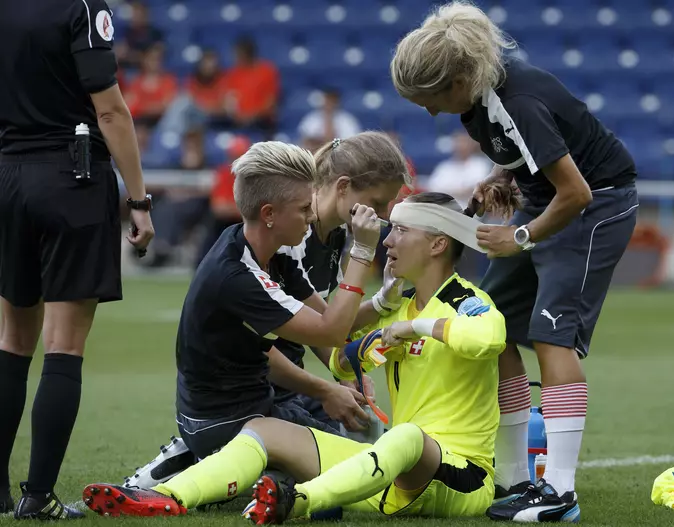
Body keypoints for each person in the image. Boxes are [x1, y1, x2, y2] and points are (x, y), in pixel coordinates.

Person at [80, 192, 508, 525]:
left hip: (461, 479)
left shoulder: (464, 299)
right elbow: (343, 364)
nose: (388, 240)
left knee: (407, 436)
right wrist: (382, 311)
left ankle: (299, 501)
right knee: (266, 429)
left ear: (436, 244)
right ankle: (167, 498)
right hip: (396, 474)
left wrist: (412, 329)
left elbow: (489, 339)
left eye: (401, 231)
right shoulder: (401, 305)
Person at [390, 1, 639, 522]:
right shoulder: (476, 98)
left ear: (459, 78)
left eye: (431, 99)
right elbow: (528, 158)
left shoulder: (517, 98)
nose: (430, 111)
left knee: (552, 335)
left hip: (595, 208)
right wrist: (503, 179)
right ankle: (512, 476)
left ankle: (560, 492)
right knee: (493, 323)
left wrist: (519, 235)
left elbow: (578, 192)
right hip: (545, 202)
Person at [124, 132, 411, 492]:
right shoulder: (240, 275)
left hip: (257, 397)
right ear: (270, 214)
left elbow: (329, 320)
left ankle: (248, 467)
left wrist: (345, 371)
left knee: (355, 448)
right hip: (231, 413)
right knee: (352, 472)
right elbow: (329, 330)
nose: (311, 217)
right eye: (304, 209)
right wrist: (363, 254)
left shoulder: (276, 246)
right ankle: (197, 467)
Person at [0, 0, 154, 520]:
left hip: (8, 176)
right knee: (63, 346)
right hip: (71, 175)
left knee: (11, 343)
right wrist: (139, 200)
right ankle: (38, 497)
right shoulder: (82, 5)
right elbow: (109, 109)